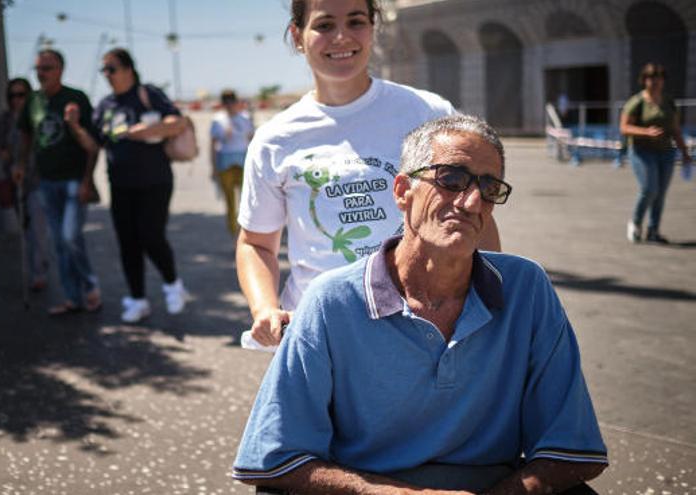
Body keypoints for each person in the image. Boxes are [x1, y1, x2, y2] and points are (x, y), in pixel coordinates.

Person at [233, 115, 608, 494]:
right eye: (451, 179)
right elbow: (273, 458)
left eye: (489, 187)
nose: (472, 201)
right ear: (402, 191)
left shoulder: (526, 289)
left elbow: (572, 450)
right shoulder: (330, 302)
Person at [237, 0, 501, 347]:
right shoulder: (275, 139)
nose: (342, 37)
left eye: (356, 21)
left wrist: (492, 305)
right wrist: (265, 309)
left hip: (425, 325)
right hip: (319, 332)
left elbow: (474, 216)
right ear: (297, 36)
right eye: (324, 25)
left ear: (374, 28)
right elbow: (256, 244)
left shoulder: (427, 113)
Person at [93, 47, 190, 323]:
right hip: (120, 184)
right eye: (104, 70)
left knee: (150, 234)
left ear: (128, 70)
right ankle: (137, 299)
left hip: (154, 181)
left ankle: (173, 285)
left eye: (111, 68)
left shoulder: (147, 94)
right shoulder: (106, 105)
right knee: (128, 242)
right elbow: (96, 142)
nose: (107, 75)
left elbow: (176, 121)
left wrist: (147, 131)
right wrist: (75, 126)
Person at [14, 49, 101, 315]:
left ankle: (89, 285)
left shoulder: (76, 98)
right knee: (59, 242)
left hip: (74, 179)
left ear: (60, 70)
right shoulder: (34, 102)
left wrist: (88, 179)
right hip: (46, 182)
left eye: (47, 68)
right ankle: (72, 297)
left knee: (70, 236)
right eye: (39, 69)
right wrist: (21, 163)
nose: (42, 74)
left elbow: (92, 145)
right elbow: (27, 136)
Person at [620, 62, 692, 244]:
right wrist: (645, 132)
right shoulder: (636, 102)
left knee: (660, 193)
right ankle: (635, 223)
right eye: (651, 77)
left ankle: (653, 231)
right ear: (644, 80)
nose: (655, 81)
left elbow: (675, 129)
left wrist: (684, 152)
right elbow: (624, 127)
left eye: (659, 78)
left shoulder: (668, 102)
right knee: (649, 189)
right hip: (641, 151)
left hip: (666, 153)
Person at [0, 77, 50, 291]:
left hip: (37, 181)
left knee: (38, 229)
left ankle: (39, 271)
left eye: (21, 95)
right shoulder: (4, 120)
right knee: (26, 229)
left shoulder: (37, 117)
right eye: (12, 96)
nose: (17, 100)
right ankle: (35, 266)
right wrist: (4, 154)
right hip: (16, 182)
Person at [210, 89, 254, 236]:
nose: (229, 106)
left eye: (232, 102)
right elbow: (213, 144)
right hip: (225, 162)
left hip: (243, 161)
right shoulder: (218, 120)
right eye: (226, 103)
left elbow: (252, 140)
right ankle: (234, 235)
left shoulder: (245, 118)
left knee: (246, 201)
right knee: (230, 202)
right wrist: (213, 167)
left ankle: (245, 233)